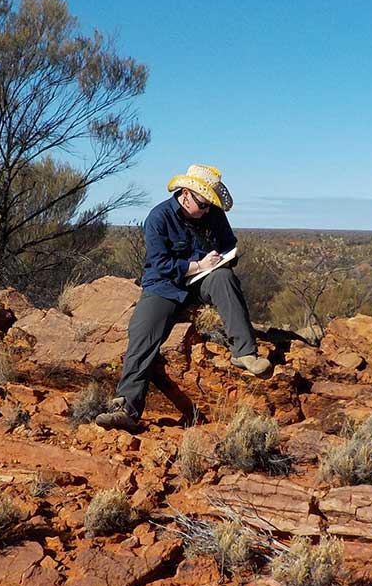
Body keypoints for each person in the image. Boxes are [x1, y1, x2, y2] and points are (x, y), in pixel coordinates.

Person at [95, 164, 272, 432]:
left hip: (203, 282)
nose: (206, 210)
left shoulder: (213, 215)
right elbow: (160, 264)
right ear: (186, 194)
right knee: (143, 331)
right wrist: (198, 265)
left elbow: (228, 244)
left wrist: (221, 259)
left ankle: (244, 352)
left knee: (225, 279)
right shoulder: (159, 217)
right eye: (203, 204)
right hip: (165, 285)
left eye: (210, 205)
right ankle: (127, 408)